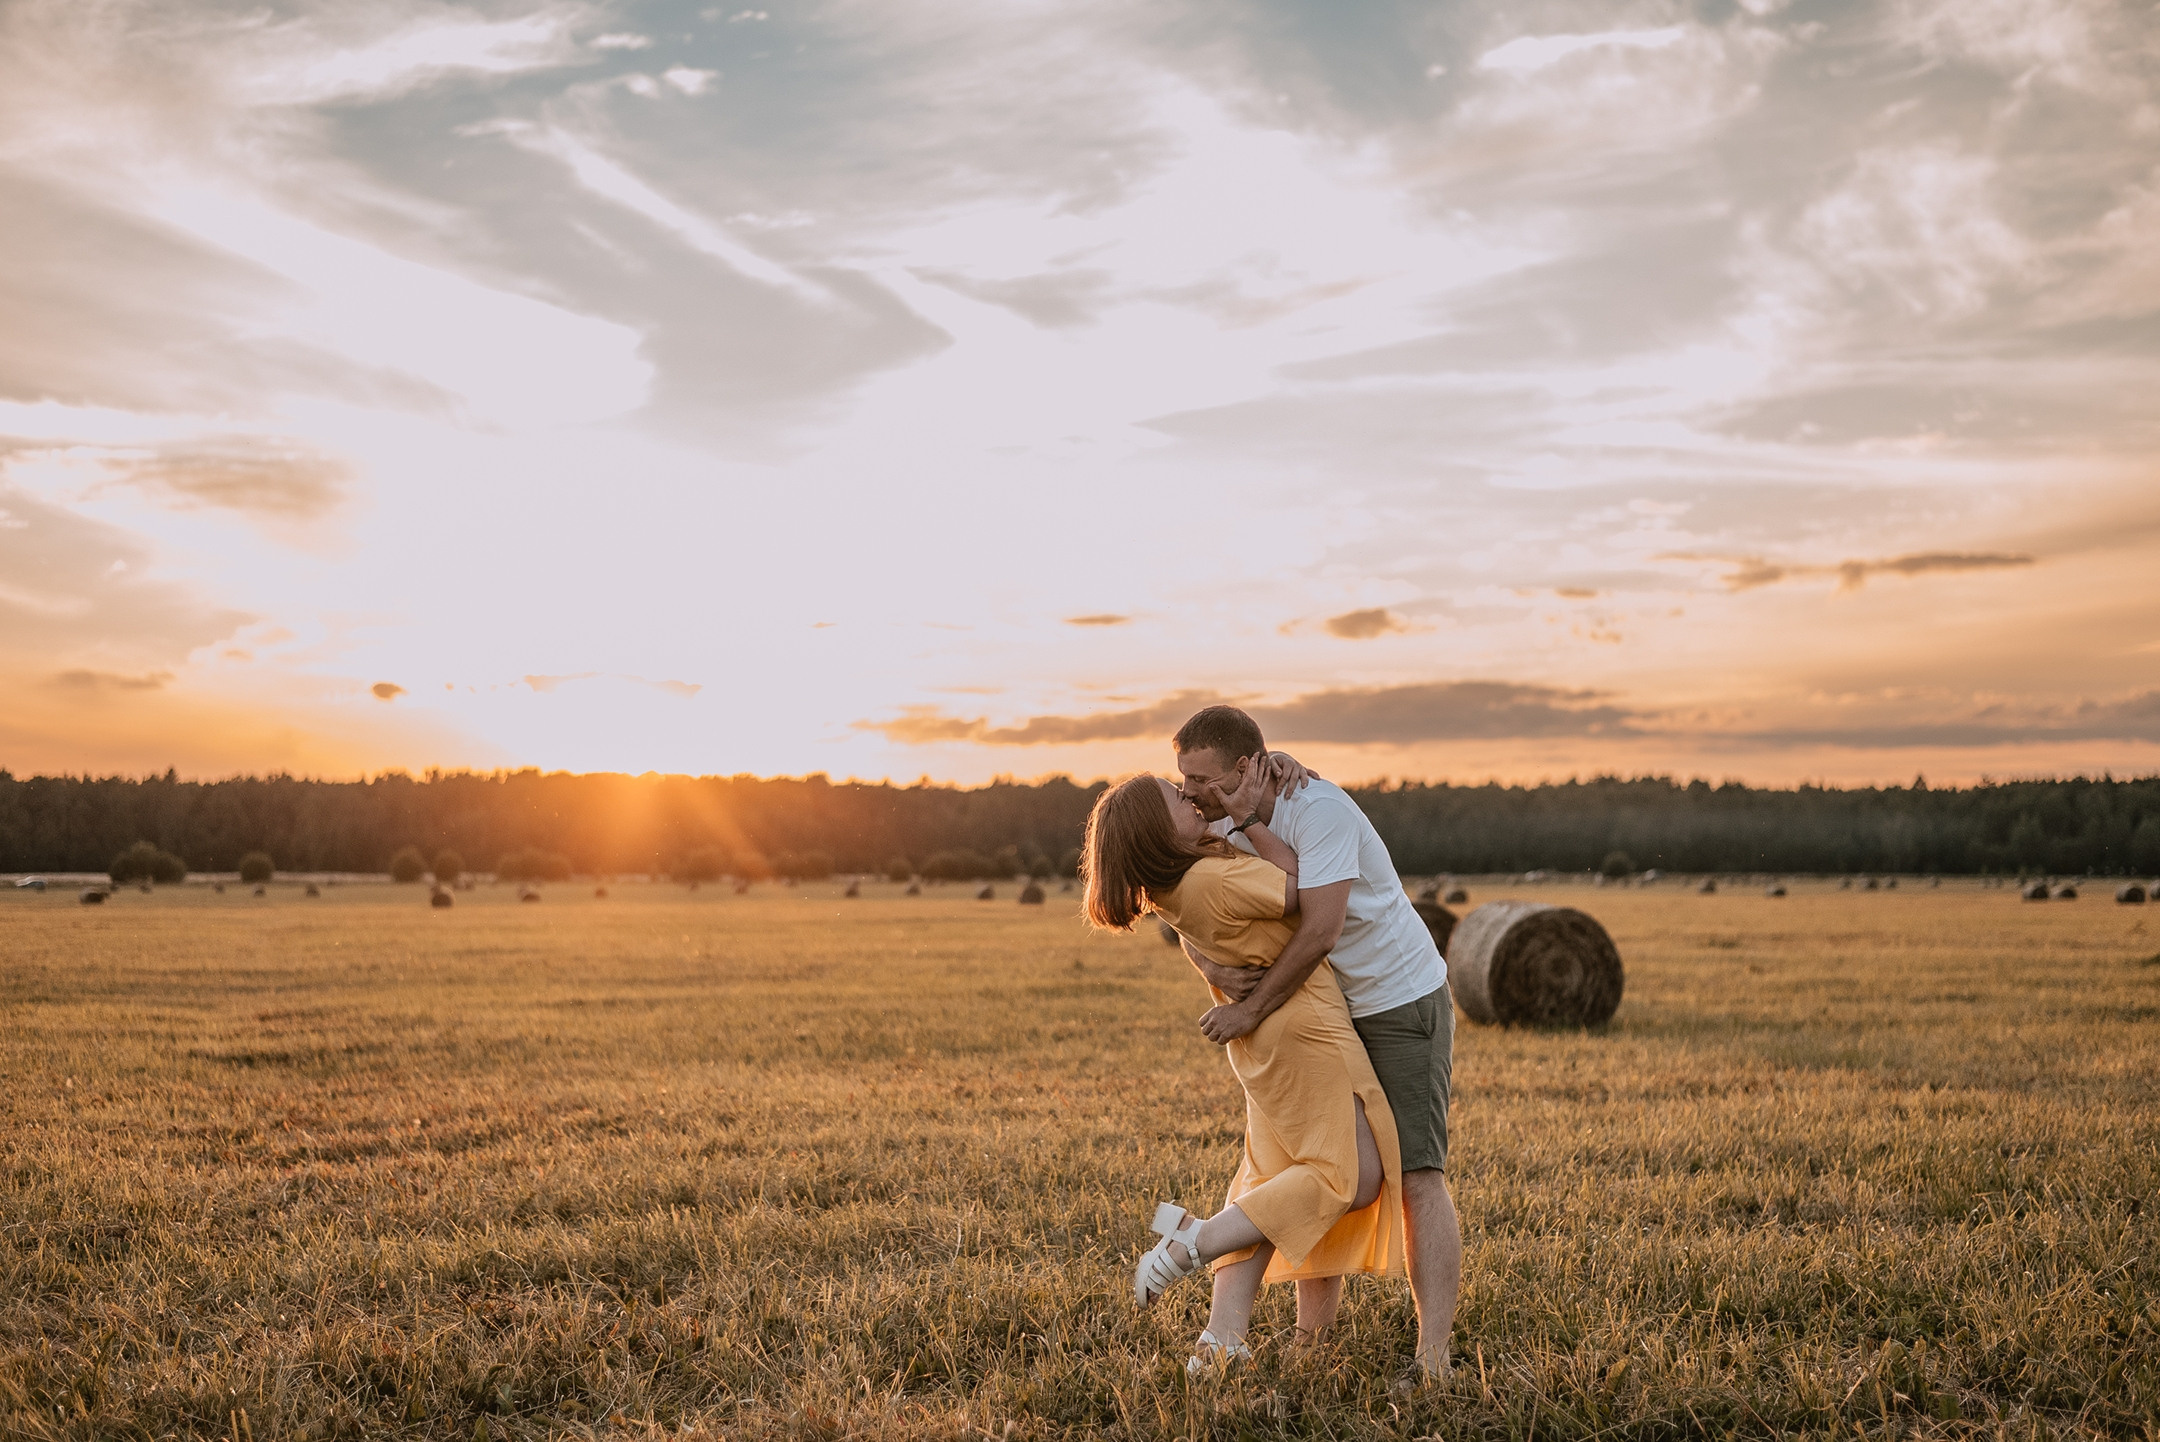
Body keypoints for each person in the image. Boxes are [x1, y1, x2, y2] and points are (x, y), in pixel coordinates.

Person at [1172, 704, 1461, 1382]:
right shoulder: (1221, 816)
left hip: (1395, 1001)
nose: (1189, 792)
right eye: (1180, 778)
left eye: (1201, 777)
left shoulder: (1317, 809)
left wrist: (1251, 1012)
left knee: (1416, 1174)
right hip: (1329, 1011)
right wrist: (1208, 966)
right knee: (1319, 1163)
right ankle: (1312, 1340)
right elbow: (1183, 902)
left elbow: (1320, 929)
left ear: (1248, 768)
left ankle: (1435, 1358)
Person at [1082, 766, 1405, 1372]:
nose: (1190, 798)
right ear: (1157, 830)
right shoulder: (1208, 879)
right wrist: (1255, 819)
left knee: (1273, 1181)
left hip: (1264, 1037)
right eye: (1177, 798)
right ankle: (1194, 1240)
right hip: (1304, 1028)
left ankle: (1222, 1336)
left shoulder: (1185, 882)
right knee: (1350, 1179)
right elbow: (1302, 886)